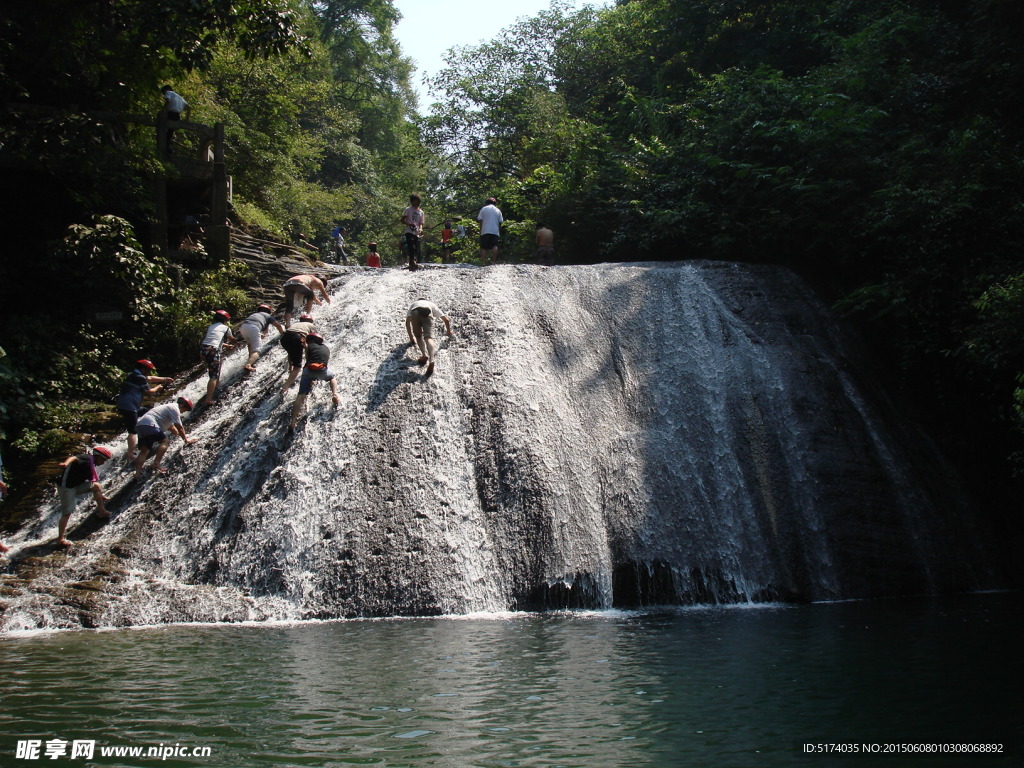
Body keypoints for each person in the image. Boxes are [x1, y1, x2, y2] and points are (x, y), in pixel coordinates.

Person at [116, 359, 174, 460]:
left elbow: (150, 378)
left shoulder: (133, 375)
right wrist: (158, 387)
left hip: (127, 405)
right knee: (132, 430)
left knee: (150, 412)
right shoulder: (139, 378)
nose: (149, 372)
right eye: (148, 370)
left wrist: (164, 379)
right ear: (143, 369)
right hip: (129, 407)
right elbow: (149, 391)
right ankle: (130, 453)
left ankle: (169, 429)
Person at [55, 446, 113, 547]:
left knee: (96, 486)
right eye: (103, 459)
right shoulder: (86, 458)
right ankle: (60, 539)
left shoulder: (91, 463)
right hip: (67, 487)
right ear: (98, 457)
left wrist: (100, 494)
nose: (104, 462)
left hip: (76, 485)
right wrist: (65, 463)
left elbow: (92, 481)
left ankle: (102, 511)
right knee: (67, 512)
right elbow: (74, 458)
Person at [133, 397, 197, 479]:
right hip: (150, 423)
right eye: (186, 409)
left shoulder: (167, 408)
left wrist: (176, 433)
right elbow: (179, 427)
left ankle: (137, 473)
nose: (184, 411)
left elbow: (173, 428)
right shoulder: (175, 408)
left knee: (144, 450)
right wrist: (186, 440)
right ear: (182, 404)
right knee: (165, 442)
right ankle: (156, 463)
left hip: (140, 425)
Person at [288, 332, 340, 430]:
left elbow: (308, 359)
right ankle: (334, 394)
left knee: (301, 395)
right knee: (332, 377)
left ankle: (293, 421)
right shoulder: (326, 348)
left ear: (311, 340)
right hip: (322, 369)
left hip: (308, 370)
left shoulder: (309, 346)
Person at [406, 299, 453, 377]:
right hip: (427, 311)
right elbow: (446, 320)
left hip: (415, 312)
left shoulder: (414, 304)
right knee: (428, 337)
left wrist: (411, 338)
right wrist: (448, 332)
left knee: (418, 336)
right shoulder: (431, 304)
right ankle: (432, 359)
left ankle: (424, 355)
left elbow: (407, 322)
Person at [199, 310, 235, 405]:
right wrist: (239, 341)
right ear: (225, 319)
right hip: (213, 351)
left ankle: (216, 386)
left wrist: (226, 346)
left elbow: (214, 339)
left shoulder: (211, 327)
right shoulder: (226, 328)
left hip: (203, 349)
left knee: (214, 369)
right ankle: (208, 398)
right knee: (214, 375)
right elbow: (232, 339)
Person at [239, 305, 285, 372]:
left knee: (250, 344)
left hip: (243, 327)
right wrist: (283, 335)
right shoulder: (267, 316)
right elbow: (278, 326)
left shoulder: (255, 315)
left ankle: (250, 359)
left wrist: (262, 334)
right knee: (257, 350)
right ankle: (248, 365)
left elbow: (265, 331)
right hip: (253, 328)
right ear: (268, 311)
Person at [280, 315, 317, 394]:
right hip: (297, 337)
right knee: (298, 367)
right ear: (310, 321)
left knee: (291, 352)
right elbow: (315, 338)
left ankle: (291, 370)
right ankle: (285, 387)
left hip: (284, 338)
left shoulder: (296, 324)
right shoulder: (311, 325)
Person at [160, 85, 190, 153]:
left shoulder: (168, 92)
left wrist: (162, 110)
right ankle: (168, 148)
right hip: (177, 116)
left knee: (163, 128)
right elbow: (189, 108)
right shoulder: (180, 97)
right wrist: (186, 119)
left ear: (166, 90)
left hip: (170, 113)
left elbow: (167, 101)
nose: (164, 95)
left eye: (163, 93)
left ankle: (164, 148)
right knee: (170, 132)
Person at [401, 194, 425, 270]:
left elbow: (421, 223)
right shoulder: (408, 209)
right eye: (414, 201)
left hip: (416, 232)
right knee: (411, 246)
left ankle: (414, 260)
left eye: (417, 201)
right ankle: (412, 261)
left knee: (416, 247)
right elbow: (402, 220)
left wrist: (421, 229)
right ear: (412, 201)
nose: (416, 202)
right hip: (409, 231)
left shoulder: (421, 212)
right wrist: (409, 224)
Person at [477, 197, 504, 264]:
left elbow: (481, 220)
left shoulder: (483, 209)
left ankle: (483, 262)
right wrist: (498, 231)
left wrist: (480, 231)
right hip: (495, 231)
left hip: (485, 230)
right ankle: (493, 261)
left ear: (487, 203)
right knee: (494, 246)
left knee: (483, 247)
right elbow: (500, 222)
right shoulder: (498, 210)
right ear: (495, 204)